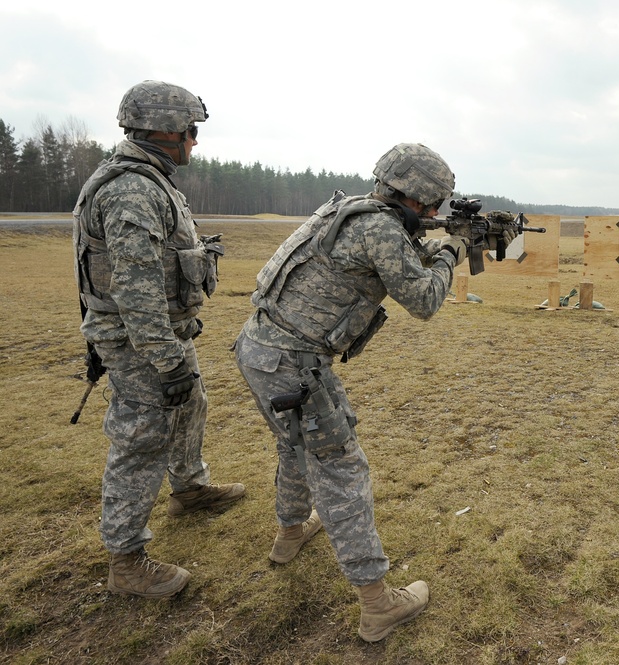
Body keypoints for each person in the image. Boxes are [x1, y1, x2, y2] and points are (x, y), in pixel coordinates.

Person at [233, 143, 471, 642]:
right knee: (342, 469)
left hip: (259, 350)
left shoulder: (347, 209)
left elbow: (388, 259)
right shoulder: (381, 227)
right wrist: (454, 252)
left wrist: (435, 248)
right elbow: (425, 299)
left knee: (294, 446)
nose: (433, 215)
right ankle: (378, 604)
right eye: (432, 208)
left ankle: (290, 533)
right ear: (420, 200)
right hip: (295, 367)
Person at [72, 80, 245, 599]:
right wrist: (167, 361)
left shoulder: (152, 179)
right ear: (164, 132)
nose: (196, 141)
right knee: (143, 437)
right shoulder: (132, 189)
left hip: (161, 334)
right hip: (140, 339)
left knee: (191, 405)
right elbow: (136, 288)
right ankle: (125, 559)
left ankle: (189, 488)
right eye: (191, 131)